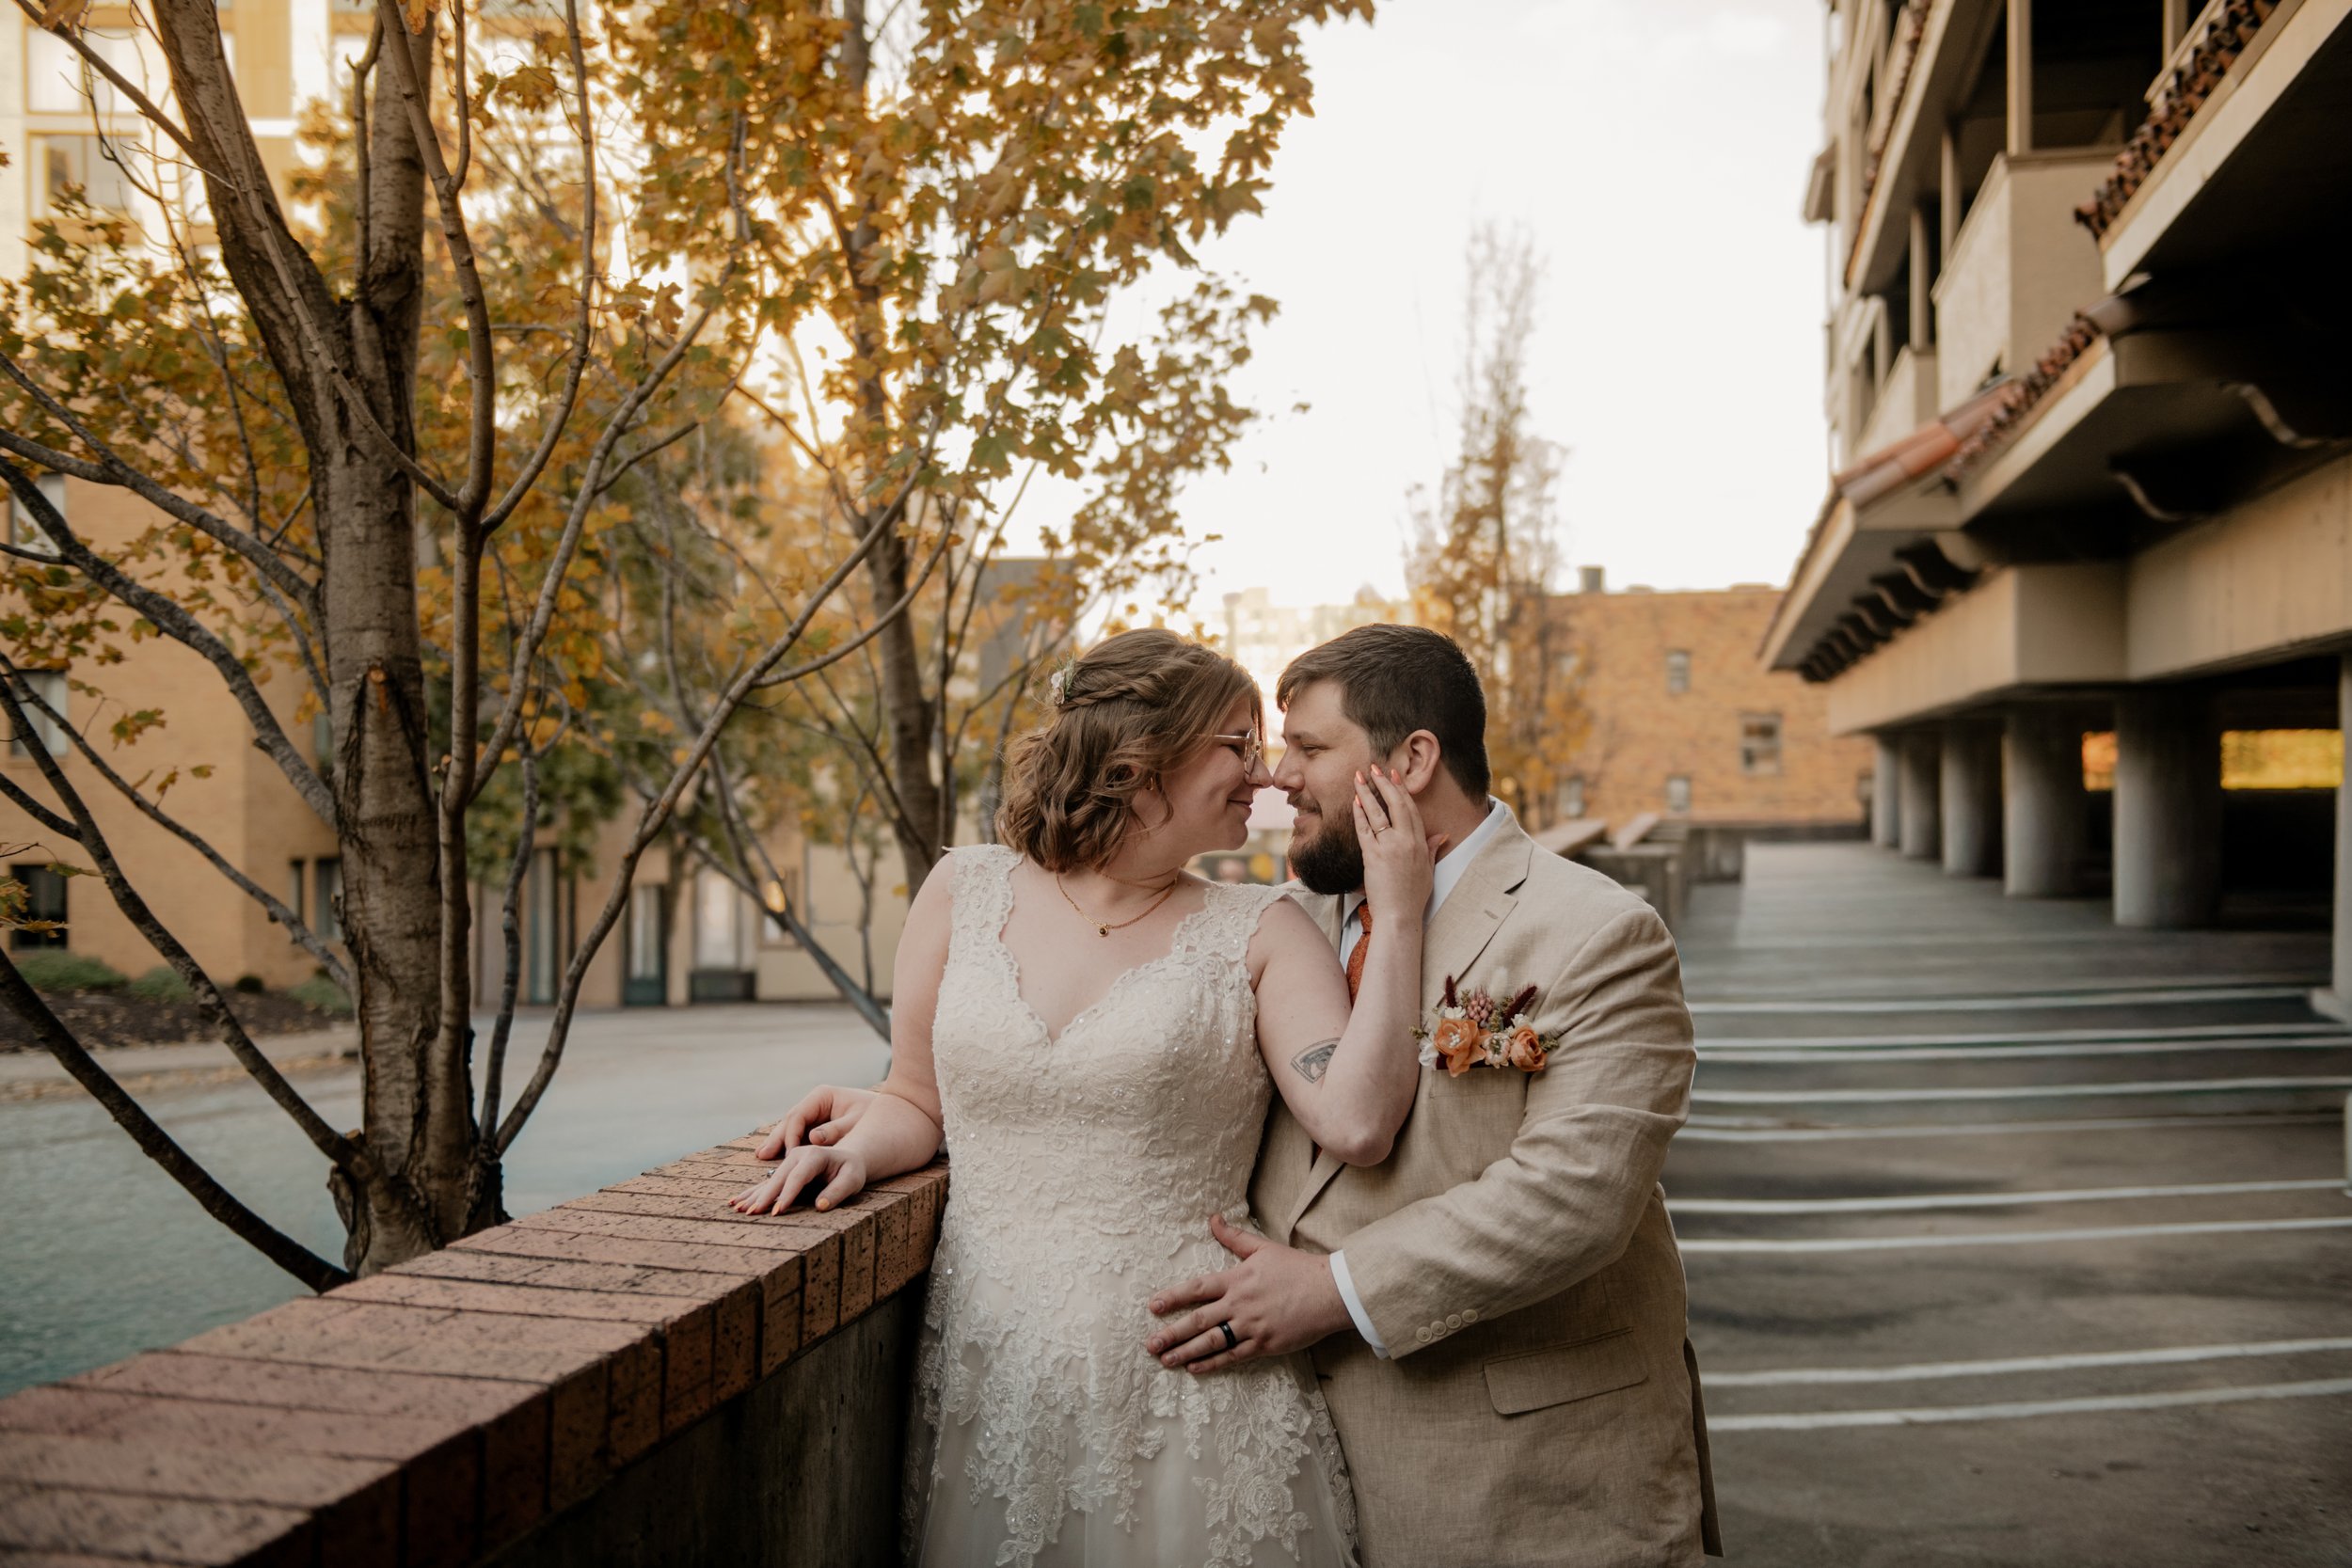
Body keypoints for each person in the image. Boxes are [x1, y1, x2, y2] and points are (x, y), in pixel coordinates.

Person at [731, 628, 1442, 1568]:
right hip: (996, 1372)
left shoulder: (1260, 929)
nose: (1264, 774)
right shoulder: (961, 891)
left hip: (1189, 1382)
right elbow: (917, 1097)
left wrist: (1396, 914)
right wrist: (859, 1147)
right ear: (1142, 751)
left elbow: (1354, 1120)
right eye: (1237, 743)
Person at [1142, 623, 1721, 1566]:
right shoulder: (1283, 923)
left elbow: (1572, 1196)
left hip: (1530, 1477)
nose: (1279, 777)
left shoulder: (1599, 933)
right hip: (1288, 1467)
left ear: (1411, 759)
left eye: (1310, 747)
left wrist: (1334, 1288)